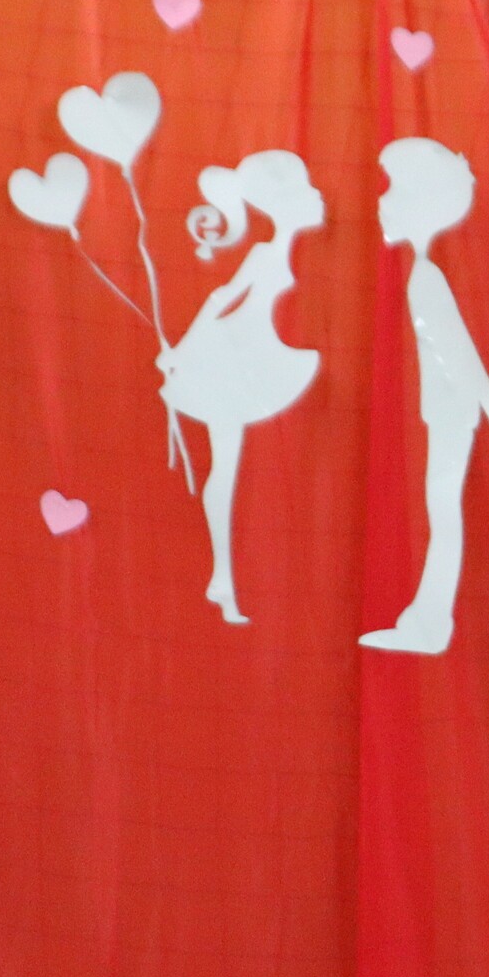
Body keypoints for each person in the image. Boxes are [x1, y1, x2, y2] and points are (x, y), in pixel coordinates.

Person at [360, 137, 489, 656]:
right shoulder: (425, 275)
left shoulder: (426, 278)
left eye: (392, 190)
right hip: (451, 408)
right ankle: (427, 617)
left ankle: (430, 620)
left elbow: (457, 352)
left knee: (442, 509)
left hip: (452, 410)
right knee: (441, 508)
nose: (381, 201)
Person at [160, 151, 325, 624]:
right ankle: (223, 579)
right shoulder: (264, 253)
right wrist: (182, 351)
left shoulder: (278, 251)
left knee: (226, 467)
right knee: (225, 468)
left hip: (248, 351)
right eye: (303, 190)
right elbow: (220, 297)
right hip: (232, 356)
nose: (315, 197)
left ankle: (223, 580)